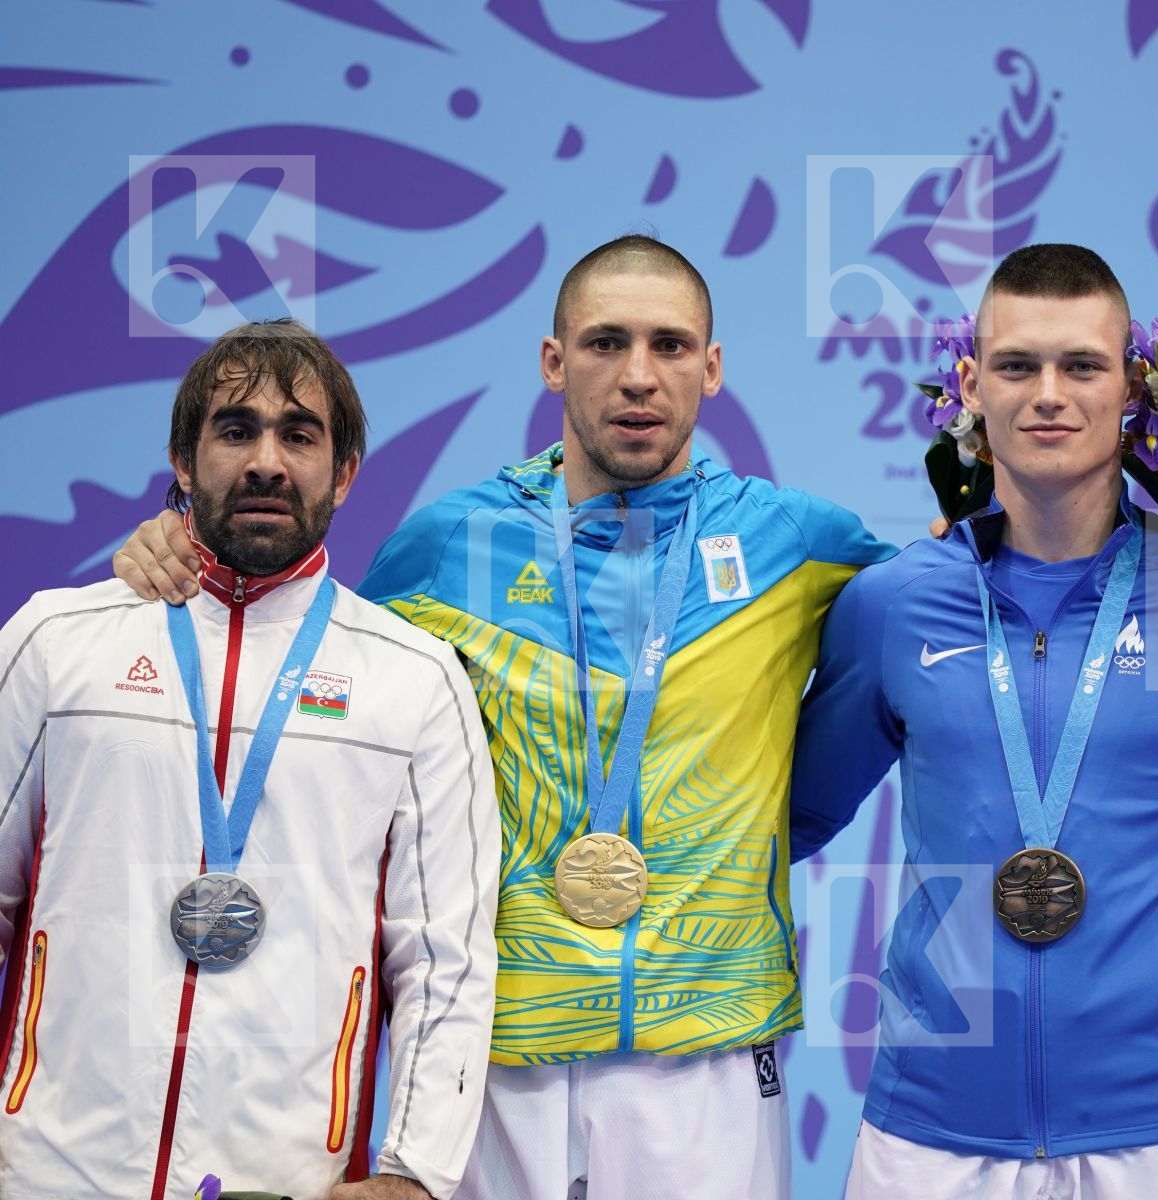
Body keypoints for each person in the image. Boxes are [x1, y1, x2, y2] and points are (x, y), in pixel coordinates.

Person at [114, 236, 893, 1199]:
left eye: (670, 345)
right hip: (497, 1047)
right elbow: (290, 650)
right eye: (605, 343)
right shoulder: (452, 543)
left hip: (711, 1052)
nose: (638, 376)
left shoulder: (796, 541)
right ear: (554, 362)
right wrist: (175, 543)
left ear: (713, 366)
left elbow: (948, 608)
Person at [789, 243, 1158, 1198]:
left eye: (1081, 366)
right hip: (929, 1134)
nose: (1048, 395)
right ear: (970, 384)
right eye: (1016, 365)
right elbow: (780, 819)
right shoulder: (893, 606)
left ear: (1132, 392)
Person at [0, 320, 499, 1199]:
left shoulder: (416, 680)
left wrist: (414, 1171)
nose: (267, 461)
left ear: (343, 473)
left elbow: (446, 957)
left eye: (299, 436)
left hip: (285, 1175)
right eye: (237, 430)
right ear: (183, 462)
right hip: (49, 1168)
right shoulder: (55, 640)